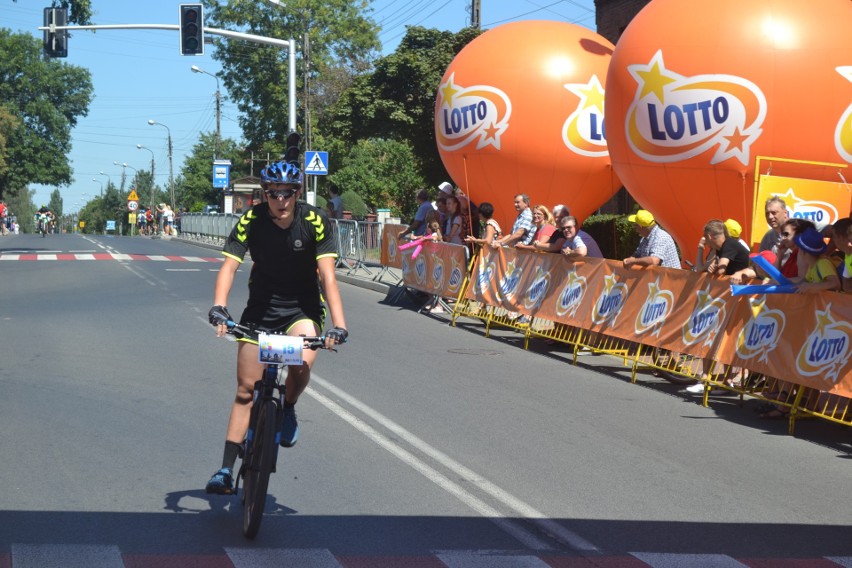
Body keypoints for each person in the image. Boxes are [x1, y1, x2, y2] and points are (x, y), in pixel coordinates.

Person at [204, 159, 348, 495]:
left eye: (287, 192)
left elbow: (327, 276)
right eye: (272, 193)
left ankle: (290, 408)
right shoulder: (251, 219)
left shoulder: (314, 220)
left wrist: (339, 325)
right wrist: (219, 306)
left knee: (301, 361)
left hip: (302, 308)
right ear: (263, 193)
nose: (280, 200)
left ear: (297, 192)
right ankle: (225, 469)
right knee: (245, 390)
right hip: (261, 309)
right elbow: (229, 267)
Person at [793, 227, 840, 293]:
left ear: (803, 252)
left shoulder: (823, 263)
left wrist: (810, 286)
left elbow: (835, 283)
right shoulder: (812, 265)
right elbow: (804, 281)